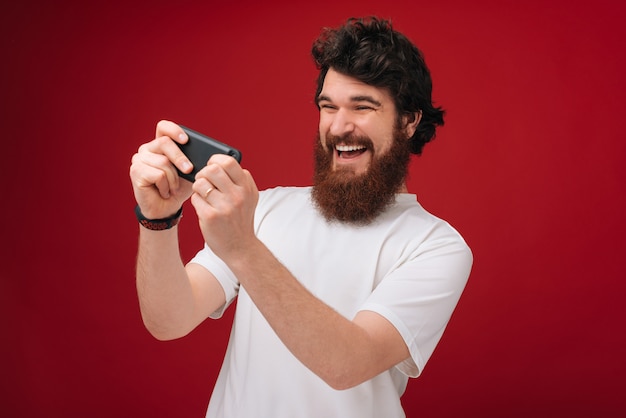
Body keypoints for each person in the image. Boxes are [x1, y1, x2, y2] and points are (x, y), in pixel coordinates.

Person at [129, 16, 472, 418]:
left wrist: (243, 247)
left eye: (362, 107)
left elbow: (348, 364)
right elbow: (169, 321)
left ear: (409, 120)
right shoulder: (266, 209)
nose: (339, 127)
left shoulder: (436, 246)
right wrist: (158, 221)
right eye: (328, 107)